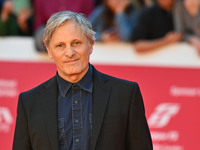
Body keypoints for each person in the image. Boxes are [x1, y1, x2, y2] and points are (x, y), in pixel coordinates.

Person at [12, 10, 153, 150]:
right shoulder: (29, 102)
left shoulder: (125, 95)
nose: (69, 53)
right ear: (49, 51)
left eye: (76, 43)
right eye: (60, 45)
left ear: (90, 45)